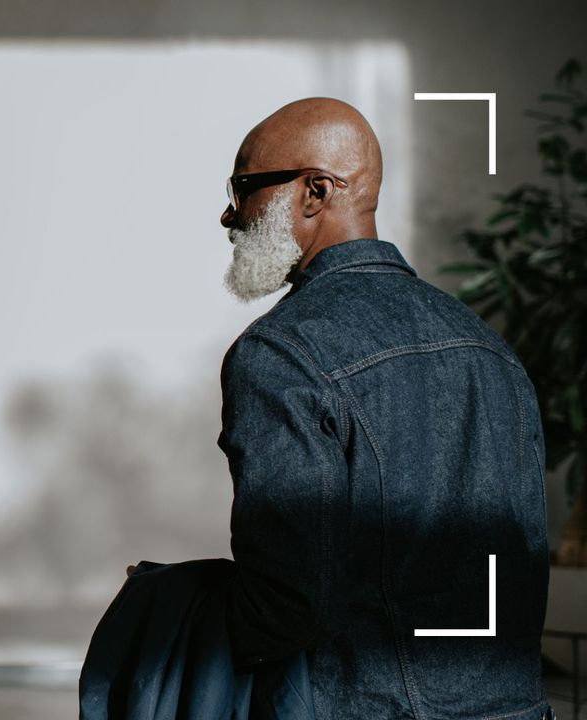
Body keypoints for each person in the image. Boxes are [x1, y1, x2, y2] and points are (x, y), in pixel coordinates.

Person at [215, 98, 551, 718]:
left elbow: (287, 604)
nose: (228, 215)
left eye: (243, 188)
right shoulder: (490, 348)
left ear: (316, 191)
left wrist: (168, 599)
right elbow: (520, 567)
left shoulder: (280, 355)